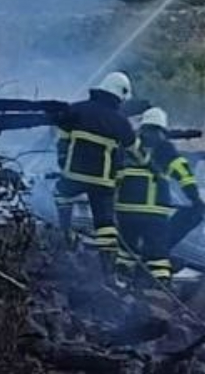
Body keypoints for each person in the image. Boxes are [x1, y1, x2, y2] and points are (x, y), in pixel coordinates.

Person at [53, 71, 137, 276]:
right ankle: (108, 271)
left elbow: (62, 138)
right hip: (104, 181)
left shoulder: (77, 110)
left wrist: (63, 162)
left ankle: (65, 233)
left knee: (60, 194)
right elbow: (136, 151)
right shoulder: (121, 121)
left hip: (74, 175)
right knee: (105, 223)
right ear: (120, 95)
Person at [114, 107, 205, 285]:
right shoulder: (165, 149)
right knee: (157, 251)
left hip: (125, 211)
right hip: (153, 212)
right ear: (162, 130)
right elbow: (184, 175)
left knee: (126, 249)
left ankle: (122, 280)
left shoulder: (130, 147)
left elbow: (114, 174)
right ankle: (160, 285)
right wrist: (195, 199)